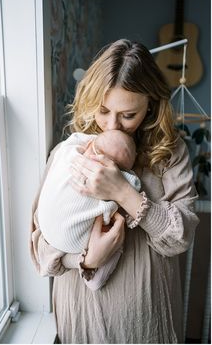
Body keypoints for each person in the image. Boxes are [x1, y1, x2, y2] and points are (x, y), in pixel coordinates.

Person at [30, 39, 199, 343]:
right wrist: (86, 260)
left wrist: (124, 192)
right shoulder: (71, 151)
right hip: (82, 317)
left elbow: (180, 238)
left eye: (127, 115)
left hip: (145, 323)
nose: (112, 125)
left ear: (150, 104)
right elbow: (39, 244)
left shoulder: (170, 155)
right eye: (103, 110)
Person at [36, 129, 141, 291]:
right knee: (115, 234)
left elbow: (75, 137)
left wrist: (96, 141)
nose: (113, 123)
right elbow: (134, 185)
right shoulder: (116, 181)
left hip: (44, 227)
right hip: (77, 243)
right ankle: (96, 279)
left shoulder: (67, 152)